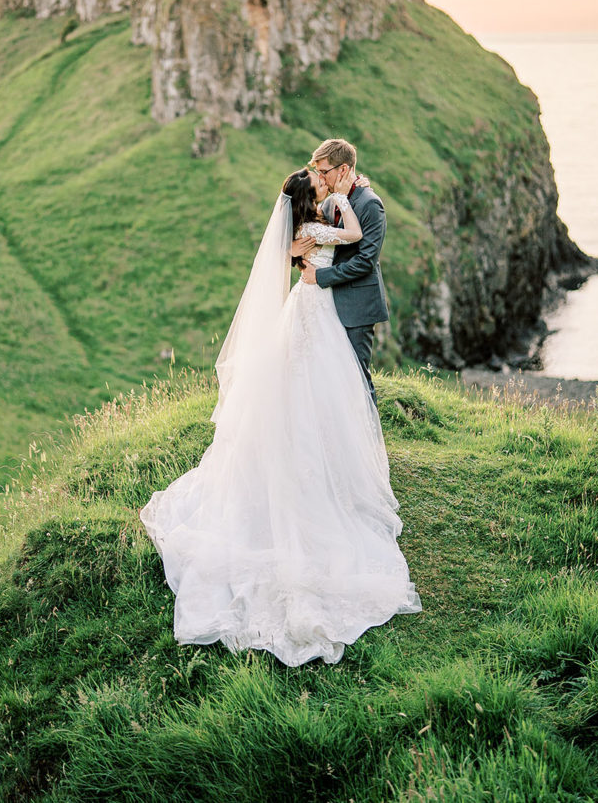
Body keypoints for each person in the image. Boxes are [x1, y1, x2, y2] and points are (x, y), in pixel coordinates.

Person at [139, 164, 421, 667]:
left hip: (312, 305)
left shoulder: (300, 230)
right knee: (326, 387)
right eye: (316, 181)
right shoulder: (319, 225)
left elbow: (316, 246)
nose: (322, 181)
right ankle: (333, 461)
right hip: (318, 305)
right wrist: (345, 199)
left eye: (323, 174)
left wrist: (333, 202)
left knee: (309, 386)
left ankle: (316, 450)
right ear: (308, 196)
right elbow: (354, 236)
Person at [293, 138, 388, 406]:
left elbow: (365, 261)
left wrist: (320, 277)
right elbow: (307, 227)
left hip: (356, 306)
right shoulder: (330, 202)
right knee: (330, 377)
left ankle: (370, 444)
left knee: (357, 377)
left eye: (324, 172)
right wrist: (293, 251)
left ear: (343, 170)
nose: (320, 178)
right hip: (327, 306)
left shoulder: (370, 204)